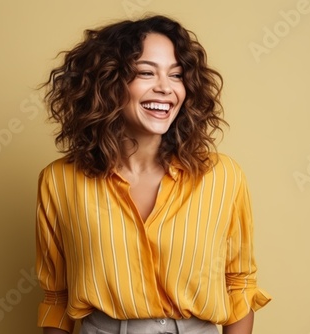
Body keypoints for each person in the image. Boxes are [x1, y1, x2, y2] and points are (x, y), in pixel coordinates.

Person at [36, 14, 271, 334]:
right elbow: (57, 297)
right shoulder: (60, 181)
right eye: (146, 72)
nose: (165, 88)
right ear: (107, 83)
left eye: (176, 75)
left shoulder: (222, 177)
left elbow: (239, 285)